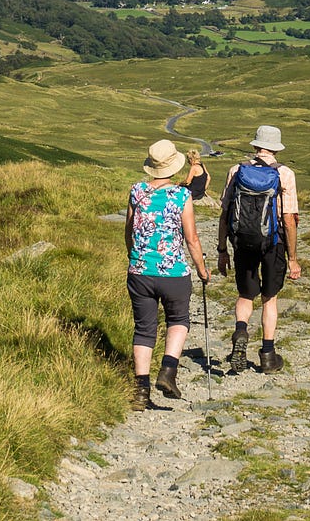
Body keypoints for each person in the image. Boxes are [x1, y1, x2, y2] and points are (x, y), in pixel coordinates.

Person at [126, 138, 211, 408]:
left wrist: (135, 256)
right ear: (173, 166)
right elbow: (192, 238)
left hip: (139, 270)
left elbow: (129, 230)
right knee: (178, 319)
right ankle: (168, 370)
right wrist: (202, 269)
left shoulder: (137, 191)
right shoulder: (181, 195)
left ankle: (141, 391)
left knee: (144, 329)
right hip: (173, 271)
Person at [216, 125, 301, 373]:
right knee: (269, 298)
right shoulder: (285, 173)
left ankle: (241, 332)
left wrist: (223, 250)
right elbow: (288, 219)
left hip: (243, 242)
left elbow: (225, 213)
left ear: (255, 146)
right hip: (273, 243)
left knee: (245, 295)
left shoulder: (237, 170)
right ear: (276, 148)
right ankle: (267, 354)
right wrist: (293, 258)